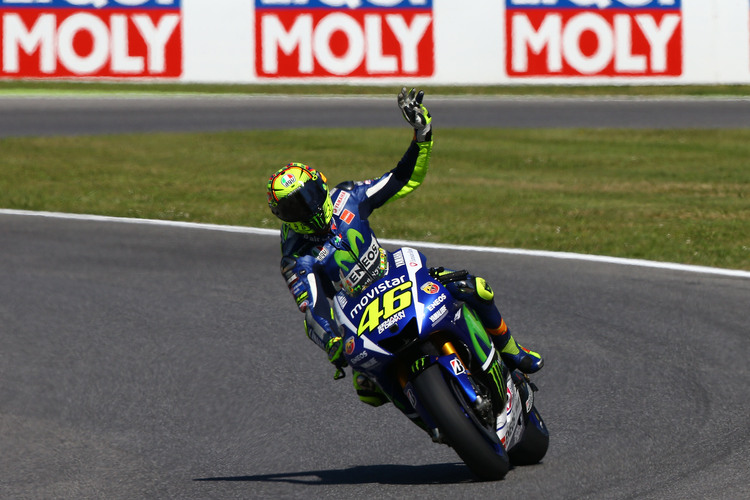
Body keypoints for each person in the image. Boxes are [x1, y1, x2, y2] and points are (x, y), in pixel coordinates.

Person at [266, 88, 543, 408]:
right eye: (293, 208)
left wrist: (421, 134)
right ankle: (437, 414)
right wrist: (332, 341)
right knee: (367, 391)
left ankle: (512, 353)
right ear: (282, 218)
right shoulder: (296, 256)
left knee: (473, 288)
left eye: (310, 195)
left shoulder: (349, 199)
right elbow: (312, 310)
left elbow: (401, 179)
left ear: (322, 185)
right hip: (361, 319)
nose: (307, 209)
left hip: (401, 280)